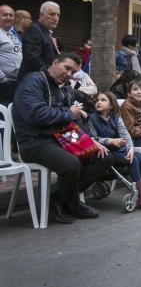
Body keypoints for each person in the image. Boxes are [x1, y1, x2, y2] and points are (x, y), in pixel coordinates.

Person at [12, 52, 112, 224]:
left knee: (103, 157)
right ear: (55, 62)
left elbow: (70, 119)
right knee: (71, 164)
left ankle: (60, 199)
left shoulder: (61, 88)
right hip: (34, 141)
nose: (68, 74)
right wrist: (68, 113)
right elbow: (35, 114)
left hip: (60, 138)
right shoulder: (34, 81)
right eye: (66, 68)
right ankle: (70, 204)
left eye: (72, 72)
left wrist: (89, 140)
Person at [88, 91, 141, 208]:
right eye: (97, 100)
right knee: (133, 160)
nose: (99, 102)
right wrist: (109, 140)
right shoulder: (92, 119)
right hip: (107, 152)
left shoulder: (116, 118)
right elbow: (92, 138)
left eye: (103, 100)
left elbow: (125, 135)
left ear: (111, 105)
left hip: (120, 150)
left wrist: (131, 148)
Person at [18, 1, 61, 79]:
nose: (56, 18)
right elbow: (32, 58)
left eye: (58, 15)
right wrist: (52, 73)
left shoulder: (46, 33)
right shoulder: (33, 30)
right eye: (52, 14)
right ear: (41, 15)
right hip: (32, 83)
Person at [0, 4, 22, 106]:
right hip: (3, 82)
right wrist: (3, 79)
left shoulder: (13, 34)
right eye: (5, 15)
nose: (9, 17)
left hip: (15, 81)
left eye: (11, 15)